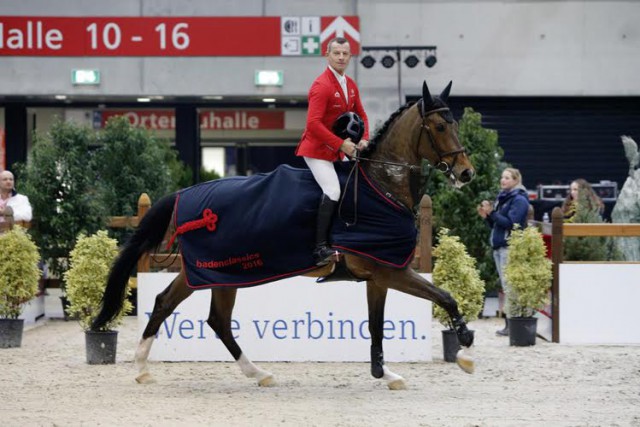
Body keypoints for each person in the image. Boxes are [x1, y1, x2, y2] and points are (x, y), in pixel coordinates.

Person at [295, 36, 370, 266]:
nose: (340, 57)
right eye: (336, 53)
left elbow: (362, 115)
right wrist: (342, 145)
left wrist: (364, 139)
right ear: (327, 54)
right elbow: (313, 125)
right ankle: (319, 249)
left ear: (349, 56)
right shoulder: (321, 86)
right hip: (317, 151)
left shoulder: (350, 85)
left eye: (345, 54)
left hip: (338, 151)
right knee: (333, 190)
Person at [477, 168, 530, 336]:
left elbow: (511, 223)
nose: (503, 180)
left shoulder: (519, 200)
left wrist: (492, 212)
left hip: (509, 247)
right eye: (502, 177)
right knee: (506, 286)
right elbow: (496, 225)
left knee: (510, 286)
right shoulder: (503, 198)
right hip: (498, 246)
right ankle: (509, 323)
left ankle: (512, 323)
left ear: (516, 180)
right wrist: (488, 217)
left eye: (507, 178)